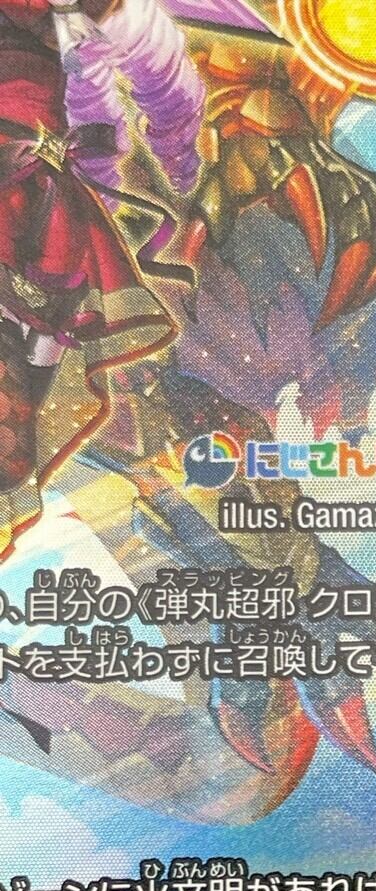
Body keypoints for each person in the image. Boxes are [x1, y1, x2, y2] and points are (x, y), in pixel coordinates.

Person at [0, 0, 202, 559]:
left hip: (36, 194)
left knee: (45, 331)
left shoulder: (107, 18)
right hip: (41, 189)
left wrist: (178, 165)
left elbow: (164, 88)